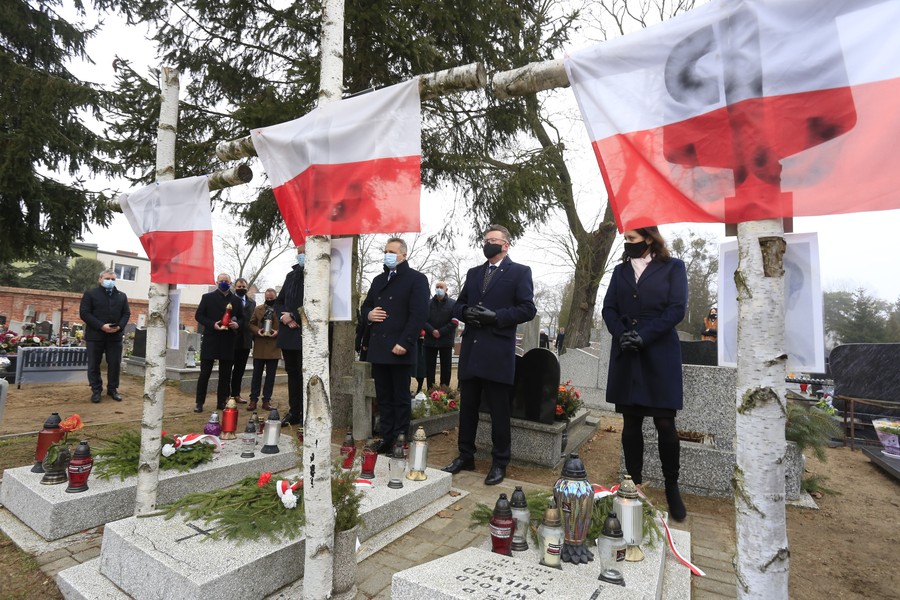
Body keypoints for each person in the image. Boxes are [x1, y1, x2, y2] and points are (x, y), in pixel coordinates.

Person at [601, 226, 688, 521]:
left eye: (632, 239)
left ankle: (672, 486)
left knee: (665, 422)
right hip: (627, 350)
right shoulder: (620, 271)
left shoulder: (673, 267)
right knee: (631, 422)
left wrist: (645, 336)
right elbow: (609, 308)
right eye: (626, 239)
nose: (627, 244)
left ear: (649, 238)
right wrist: (622, 334)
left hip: (659, 351)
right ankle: (633, 485)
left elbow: (677, 309)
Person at [442, 225, 536, 486]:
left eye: (492, 240)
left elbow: (527, 309)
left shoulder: (520, 272)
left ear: (506, 245)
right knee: (468, 408)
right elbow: (459, 304)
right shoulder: (474, 273)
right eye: (485, 240)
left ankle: (499, 462)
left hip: (497, 352)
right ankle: (465, 456)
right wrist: (465, 312)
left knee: (499, 411)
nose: (487, 244)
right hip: (472, 350)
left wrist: (496, 317)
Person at [360, 237, 429, 453]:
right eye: (385, 251)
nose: (387, 255)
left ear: (403, 255)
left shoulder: (416, 279)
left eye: (391, 251)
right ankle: (386, 437)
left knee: (400, 397)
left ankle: (400, 437)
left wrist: (405, 342)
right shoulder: (378, 280)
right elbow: (366, 306)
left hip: (400, 348)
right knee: (384, 396)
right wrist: (369, 314)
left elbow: (419, 314)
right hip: (379, 347)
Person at [79, 269, 131, 403]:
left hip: (114, 336)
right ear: (100, 279)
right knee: (94, 364)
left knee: (114, 363)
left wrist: (119, 326)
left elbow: (126, 313)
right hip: (95, 335)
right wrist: (101, 325)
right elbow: (84, 313)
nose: (110, 281)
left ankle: (112, 389)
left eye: (113, 279)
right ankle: (96, 390)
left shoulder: (121, 296)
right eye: (107, 278)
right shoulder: (91, 294)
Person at [194, 273, 243, 412]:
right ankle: (199, 402)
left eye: (226, 281)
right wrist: (212, 324)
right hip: (211, 339)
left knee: (225, 375)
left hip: (228, 340)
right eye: (221, 280)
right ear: (217, 282)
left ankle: (221, 401)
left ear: (231, 283)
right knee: (205, 374)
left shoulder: (236, 300)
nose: (224, 282)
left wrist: (237, 324)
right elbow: (199, 315)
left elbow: (242, 318)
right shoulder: (207, 297)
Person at [276, 246, 306, 426]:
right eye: (299, 252)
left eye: (304, 252)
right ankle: (294, 411)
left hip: (304, 333)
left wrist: (294, 315)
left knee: (304, 375)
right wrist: (284, 318)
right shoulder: (291, 276)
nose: (301, 255)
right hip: (288, 333)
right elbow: (279, 302)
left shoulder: (317, 275)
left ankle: (305, 412)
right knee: (292, 373)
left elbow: (317, 303)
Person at [247, 288, 279, 412]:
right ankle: (253, 400)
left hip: (274, 347)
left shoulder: (280, 309)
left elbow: (284, 325)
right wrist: (257, 331)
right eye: (267, 298)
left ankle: (266, 401)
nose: (269, 300)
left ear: (275, 297)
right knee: (256, 376)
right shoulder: (258, 309)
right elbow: (251, 324)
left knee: (270, 377)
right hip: (260, 347)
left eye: (272, 298)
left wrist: (278, 332)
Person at [423, 281, 457, 389]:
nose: (439, 289)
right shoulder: (427, 303)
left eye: (441, 287)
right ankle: (430, 390)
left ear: (446, 289)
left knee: (446, 368)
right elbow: (422, 320)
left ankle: (444, 391)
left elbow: (454, 322)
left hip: (446, 341)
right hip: (430, 341)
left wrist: (441, 332)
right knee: (430, 369)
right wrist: (432, 331)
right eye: (437, 287)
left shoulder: (453, 304)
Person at [228, 277, 255, 403]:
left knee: (239, 370)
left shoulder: (252, 302)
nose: (241, 288)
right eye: (239, 287)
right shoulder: (230, 300)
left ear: (247, 287)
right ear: (235, 287)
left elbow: (252, 320)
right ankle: (226, 395)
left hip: (245, 340)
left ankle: (236, 394)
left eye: (243, 287)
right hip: (232, 338)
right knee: (227, 369)